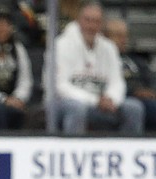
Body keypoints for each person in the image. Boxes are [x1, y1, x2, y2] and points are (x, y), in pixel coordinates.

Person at [52, 0, 144, 135]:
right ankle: (74, 150)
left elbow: (117, 82)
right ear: (79, 20)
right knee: (77, 109)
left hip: (101, 102)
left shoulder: (109, 47)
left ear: (102, 24)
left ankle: (126, 151)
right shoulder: (60, 45)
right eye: (88, 20)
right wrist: (95, 101)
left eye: (96, 21)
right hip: (64, 103)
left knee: (134, 108)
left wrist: (111, 99)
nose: (91, 26)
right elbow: (60, 87)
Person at [104, 18, 156, 132]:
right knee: (145, 108)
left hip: (149, 99)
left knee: (155, 107)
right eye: (118, 36)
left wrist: (153, 91)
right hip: (127, 98)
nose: (123, 40)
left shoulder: (136, 59)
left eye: (125, 36)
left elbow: (153, 77)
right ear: (106, 38)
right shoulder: (103, 60)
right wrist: (135, 92)